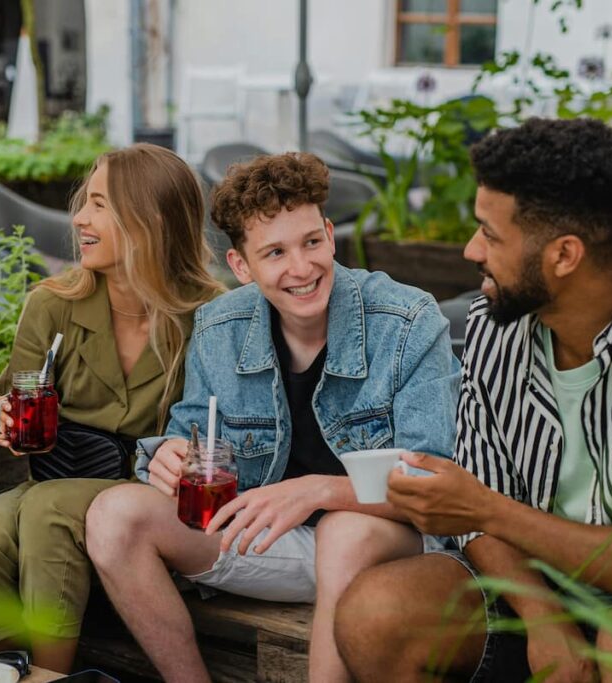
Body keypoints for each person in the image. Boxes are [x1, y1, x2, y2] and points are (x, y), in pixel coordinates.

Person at [335, 117, 612, 682]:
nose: (470, 249)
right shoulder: (493, 323)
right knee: (378, 614)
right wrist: (543, 617)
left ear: (564, 255)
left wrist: (485, 507)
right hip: (532, 586)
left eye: (491, 234)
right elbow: (479, 511)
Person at [85, 152, 461, 682]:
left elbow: (432, 483)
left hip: (387, 551)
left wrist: (319, 491)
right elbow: (192, 435)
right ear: (241, 266)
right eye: (275, 252)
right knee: (113, 514)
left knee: (344, 530)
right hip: (270, 544)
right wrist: (169, 458)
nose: (302, 268)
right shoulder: (219, 326)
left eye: (311, 242)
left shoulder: (407, 319)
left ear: (331, 235)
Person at [0, 143, 224, 673]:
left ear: (152, 221)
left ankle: (51, 674)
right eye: (85, 202)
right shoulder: (52, 304)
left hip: (150, 499)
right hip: (60, 474)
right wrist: (8, 416)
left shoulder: (208, 315)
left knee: (48, 515)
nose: (79, 218)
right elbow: (14, 392)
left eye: (100, 205)